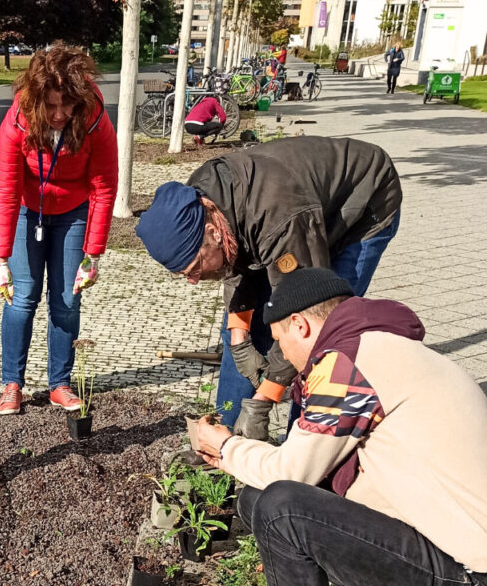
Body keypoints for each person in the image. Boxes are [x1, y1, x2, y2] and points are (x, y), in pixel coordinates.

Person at [193, 268, 487, 586]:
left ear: (302, 324)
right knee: (269, 498)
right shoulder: (381, 347)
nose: (282, 351)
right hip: (460, 554)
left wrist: (224, 449)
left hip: (470, 584)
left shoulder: (346, 365)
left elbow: (290, 475)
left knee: (278, 505)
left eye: (280, 339)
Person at [134, 136, 402, 432]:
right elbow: (237, 261)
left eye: (195, 268)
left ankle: (301, 450)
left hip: (363, 204)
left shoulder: (278, 217)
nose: (194, 281)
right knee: (242, 332)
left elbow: (307, 312)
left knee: (319, 337)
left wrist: (266, 397)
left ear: (214, 232)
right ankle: (225, 437)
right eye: (183, 274)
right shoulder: (203, 197)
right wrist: (239, 342)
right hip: (297, 218)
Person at [0, 43, 118, 416]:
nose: (60, 114)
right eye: (51, 105)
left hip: (73, 214)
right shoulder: (16, 123)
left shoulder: (94, 119)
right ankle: (12, 382)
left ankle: (60, 384)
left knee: (66, 299)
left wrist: (93, 254)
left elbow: (104, 187)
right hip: (29, 214)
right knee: (21, 298)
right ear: (35, 100)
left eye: (67, 104)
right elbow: (6, 190)